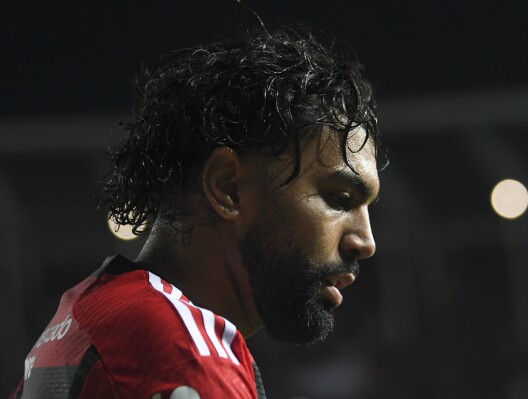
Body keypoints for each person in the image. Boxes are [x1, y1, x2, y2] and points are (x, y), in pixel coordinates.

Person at [10, 25, 386, 398]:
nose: (365, 242)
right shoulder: (183, 354)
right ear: (228, 187)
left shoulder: (83, 314)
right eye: (339, 198)